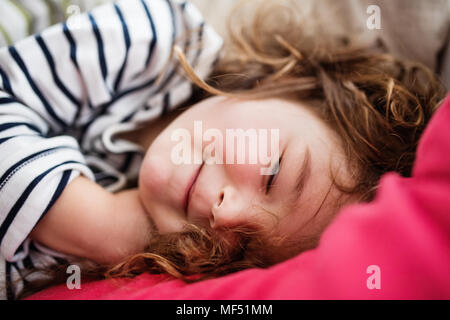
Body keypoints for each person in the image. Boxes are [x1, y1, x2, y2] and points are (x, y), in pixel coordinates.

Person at [0, 0, 445, 299]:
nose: (228, 215)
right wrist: (97, 223)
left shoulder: (137, 274)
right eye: (272, 172)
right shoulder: (156, 41)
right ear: (285, 84)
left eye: (245, 249)